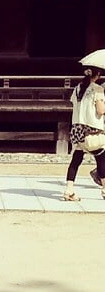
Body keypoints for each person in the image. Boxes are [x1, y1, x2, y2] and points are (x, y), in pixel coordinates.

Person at [62, 65, 105, 201]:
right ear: (97, 74)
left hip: (78, 130)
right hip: (92, 131)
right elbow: (101, 110)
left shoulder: (77, 89)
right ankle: (104, 189)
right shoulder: (97, 90)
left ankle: (69, 190)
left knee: (76, 160)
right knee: (101, 158)